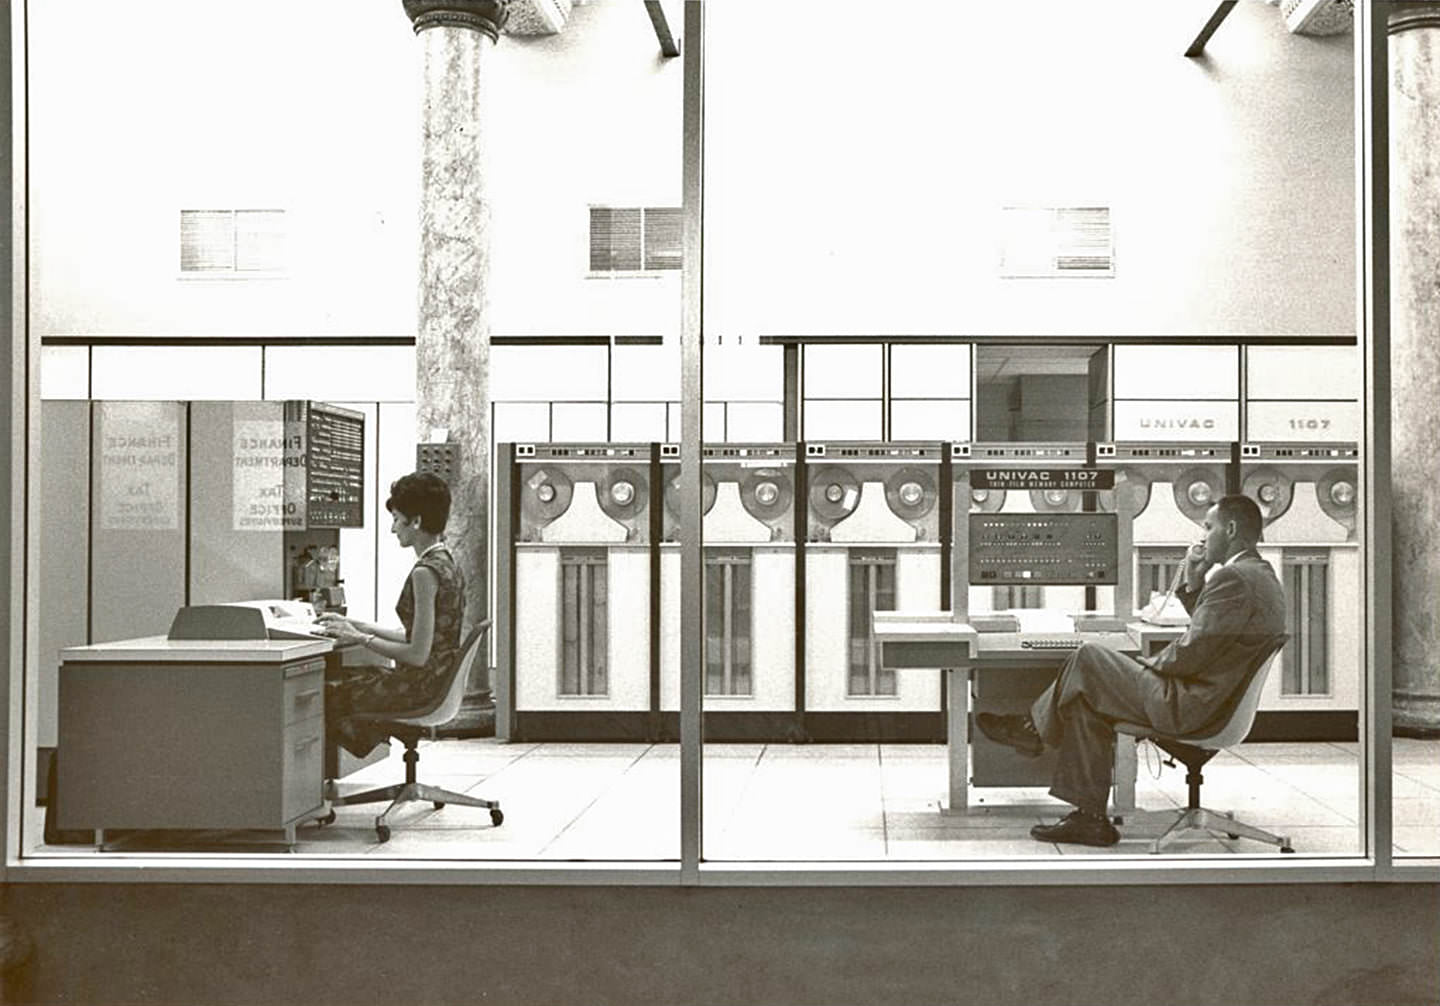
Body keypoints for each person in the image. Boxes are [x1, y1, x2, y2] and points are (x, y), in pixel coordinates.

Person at [977, 493, 1286, 847]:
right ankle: (1089, 820)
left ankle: (1034, 730)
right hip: (1216, 701)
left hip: (1195, 706)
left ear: (1230, 529)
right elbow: (1210, 632)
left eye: (1208, 527)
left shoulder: (1234, 578)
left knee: (1089, 657)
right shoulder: (1257, 574)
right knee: (1086, 700)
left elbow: (1193, 652)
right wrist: (1194, 580)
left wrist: (1145, 667)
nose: (1201, 537)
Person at [318, 471, 466, 758]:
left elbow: (416, 654)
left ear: (417, 521)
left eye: (397, 519)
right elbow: (419, 635)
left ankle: (309, 792)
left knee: (328, 693)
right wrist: (353, 624)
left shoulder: (424, 573)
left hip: (417, 687)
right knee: (354, 678)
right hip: (435, 682)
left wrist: (361, 638)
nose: (393, 528)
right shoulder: (447, 563)